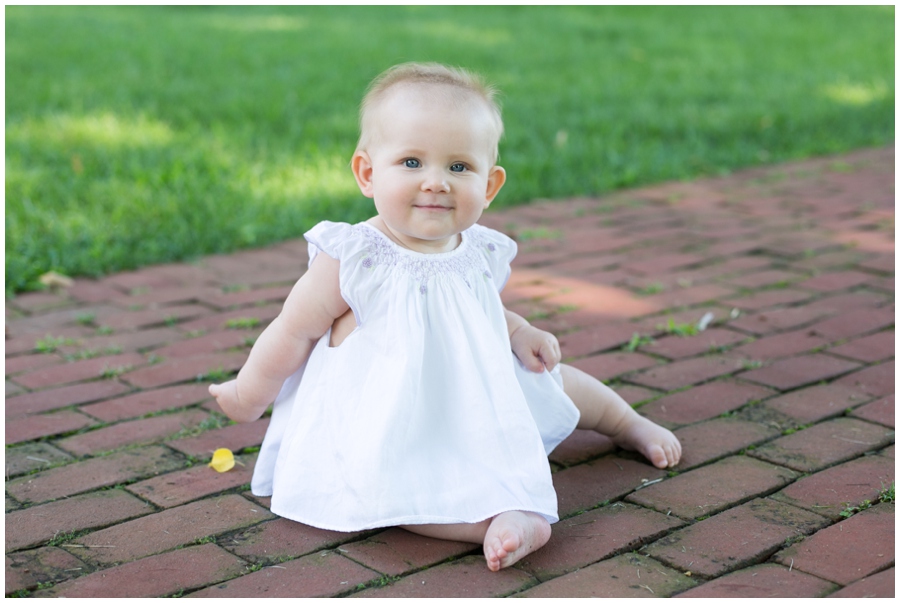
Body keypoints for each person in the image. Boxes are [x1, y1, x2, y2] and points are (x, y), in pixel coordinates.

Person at [209, 62, 681, 572]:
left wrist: (520, 331)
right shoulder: (354, 257)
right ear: (368, 173)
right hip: (396, 412)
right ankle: (494, 523)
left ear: (490, 185)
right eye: (411, 162)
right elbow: (292, 329)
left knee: (550, 382)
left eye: (459, 167)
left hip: (474, 388)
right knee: (397, 487)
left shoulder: (476, 249)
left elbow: (479, 308)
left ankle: (626, 422)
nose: (436, 183)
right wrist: (248, 393)